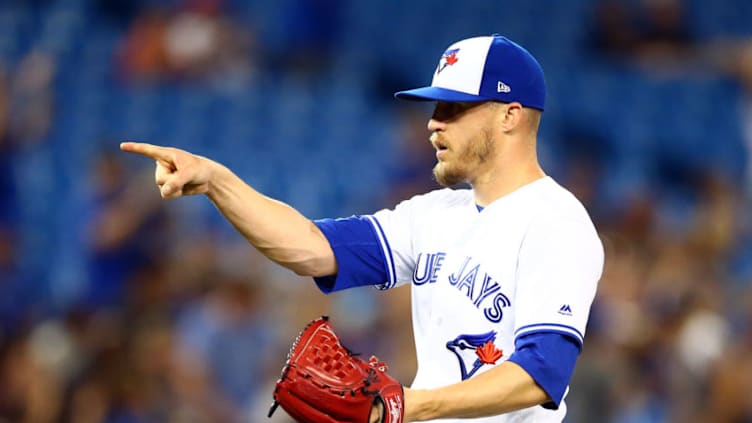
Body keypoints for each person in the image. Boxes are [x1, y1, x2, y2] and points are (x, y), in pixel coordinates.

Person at [121, 34, 604, 422]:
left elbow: (541, 375)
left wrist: (406, 405)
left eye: (453, 109)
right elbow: (312, 247)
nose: (434, 124)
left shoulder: (556, 222)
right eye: (434, 108)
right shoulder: (434, 215)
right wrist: (217, 181)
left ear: (510, 116)